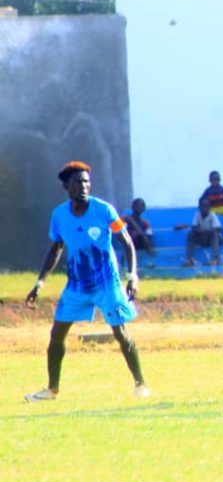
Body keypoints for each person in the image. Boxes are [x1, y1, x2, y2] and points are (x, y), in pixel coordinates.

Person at [23, 161, 149, 401]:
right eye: (78, 182)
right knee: (57, 335)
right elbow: (56, 248)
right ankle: (52, 390)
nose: (83, 185)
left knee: (120, 333)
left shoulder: (104, 210)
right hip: (77, 285)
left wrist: (133, 276)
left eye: (86, 181)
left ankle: (140, 384)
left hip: (107, 282)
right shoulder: (59, 215)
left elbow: (126, 242)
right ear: (67, 187)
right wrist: (39, 283)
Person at [183, 197, 223, 266]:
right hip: (202, 239)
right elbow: (194, 228)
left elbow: (218, 228)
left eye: (207, 206)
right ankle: (189, 260)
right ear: (199, 207)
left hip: (212, 239)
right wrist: (201, 232)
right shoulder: (197, 215)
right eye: (203, 206)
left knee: (214, 234)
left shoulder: (212, 215)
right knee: (191, 235)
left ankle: (216, 259)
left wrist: (204, 231)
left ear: (210, 207)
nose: (205, 208)